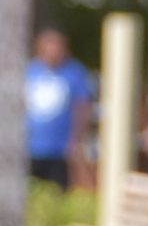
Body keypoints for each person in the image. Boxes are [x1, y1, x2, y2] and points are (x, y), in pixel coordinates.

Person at [24, 27, 96, 189]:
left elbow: (83, 106)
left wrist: (76, 139)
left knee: (58, 190)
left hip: (60, 148)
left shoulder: (74, 72)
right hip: (30, 146)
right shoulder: (29, 71)